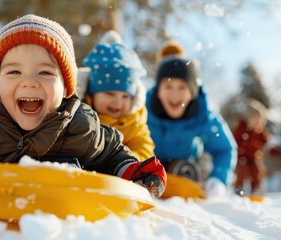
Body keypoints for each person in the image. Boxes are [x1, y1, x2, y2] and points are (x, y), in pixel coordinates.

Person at [0, 14, 166, 198]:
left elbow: (112, 155)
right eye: (14, 72)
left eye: (45, 73)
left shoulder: (82, 125)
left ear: (67, 88)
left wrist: (134, 172)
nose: (30, 82)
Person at [146, 56, 237, 198]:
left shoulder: (204, 116)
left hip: (184, 172)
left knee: (185, 171)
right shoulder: (143, 111)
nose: (174, 94)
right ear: (158, 91)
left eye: (182, 87)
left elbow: (224, 148)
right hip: (148, 170)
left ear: (192, 93)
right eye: (168, 86)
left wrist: (218, 179)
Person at [77, 30, 155, 161]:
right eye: (110, 93)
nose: (118, 103)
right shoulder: (77, 114)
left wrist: (125, 160)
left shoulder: (134, 122)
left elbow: (145, 151)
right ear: (92, 92)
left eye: (125, 96)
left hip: (118, 176)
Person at [233, 99, 270, 195]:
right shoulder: (241, 129)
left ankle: (256, 189)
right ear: (248, 119)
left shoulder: (260, 132)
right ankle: (238, 189)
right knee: (242, 169)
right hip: (241, 157)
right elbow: (232, 141)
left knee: (257, 171)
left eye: (260, 121)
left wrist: (280, 151)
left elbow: (269, 145)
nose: (258, 123)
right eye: (255, 120)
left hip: (254, 158)